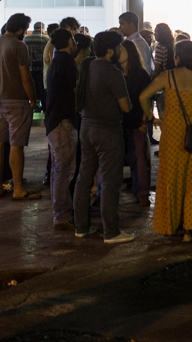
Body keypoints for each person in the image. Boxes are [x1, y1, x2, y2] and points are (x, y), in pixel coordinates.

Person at [139, 40, 192, 243]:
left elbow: (144, 96)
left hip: (173, 131)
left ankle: (172, 225)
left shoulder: (168, 76)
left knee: (172, 178)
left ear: (178, 57)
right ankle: (190, 230)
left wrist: (151, 117)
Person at [72, 31, 135, 244]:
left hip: (86, 126)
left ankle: (81, 227)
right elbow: (125, 106)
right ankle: (111, 231)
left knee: (84, 177)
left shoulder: (86, 66)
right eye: (118, 48)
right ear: (110, 50)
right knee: (109, 180)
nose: (120, 51)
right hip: (108, 130)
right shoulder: (112, 72)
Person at [0, 12, 41, 200]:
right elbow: (25, 77)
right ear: (21, 29)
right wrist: (32, 99)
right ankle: (18, 189)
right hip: (17, 101)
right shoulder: (19, 46)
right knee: (16, 144)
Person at [45, 29, 79, 231]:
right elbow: (75, 89)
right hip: (62, 121)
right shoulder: (66, 61)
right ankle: (61, 214)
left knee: (59, 168)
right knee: (63, 169)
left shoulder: (56, 60)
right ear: (69, 41)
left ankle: (61, 211)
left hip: (55, 121)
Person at [120, 40, 153, 206]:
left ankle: (142, 192)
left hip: (136, 122)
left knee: (138, 158)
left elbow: (148, 99)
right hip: (118, 122)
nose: (118, 52)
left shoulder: (140, 74)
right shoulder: (115, 72)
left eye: (122, 50)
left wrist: (144, 121)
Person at [24, 23, 49, 112]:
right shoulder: (46, 39)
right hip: (42, 70)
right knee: (43, 92)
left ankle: (32, 107)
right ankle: (44, 110)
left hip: (29, 69)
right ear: (43, 29)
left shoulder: (26, 39)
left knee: (31, 89)